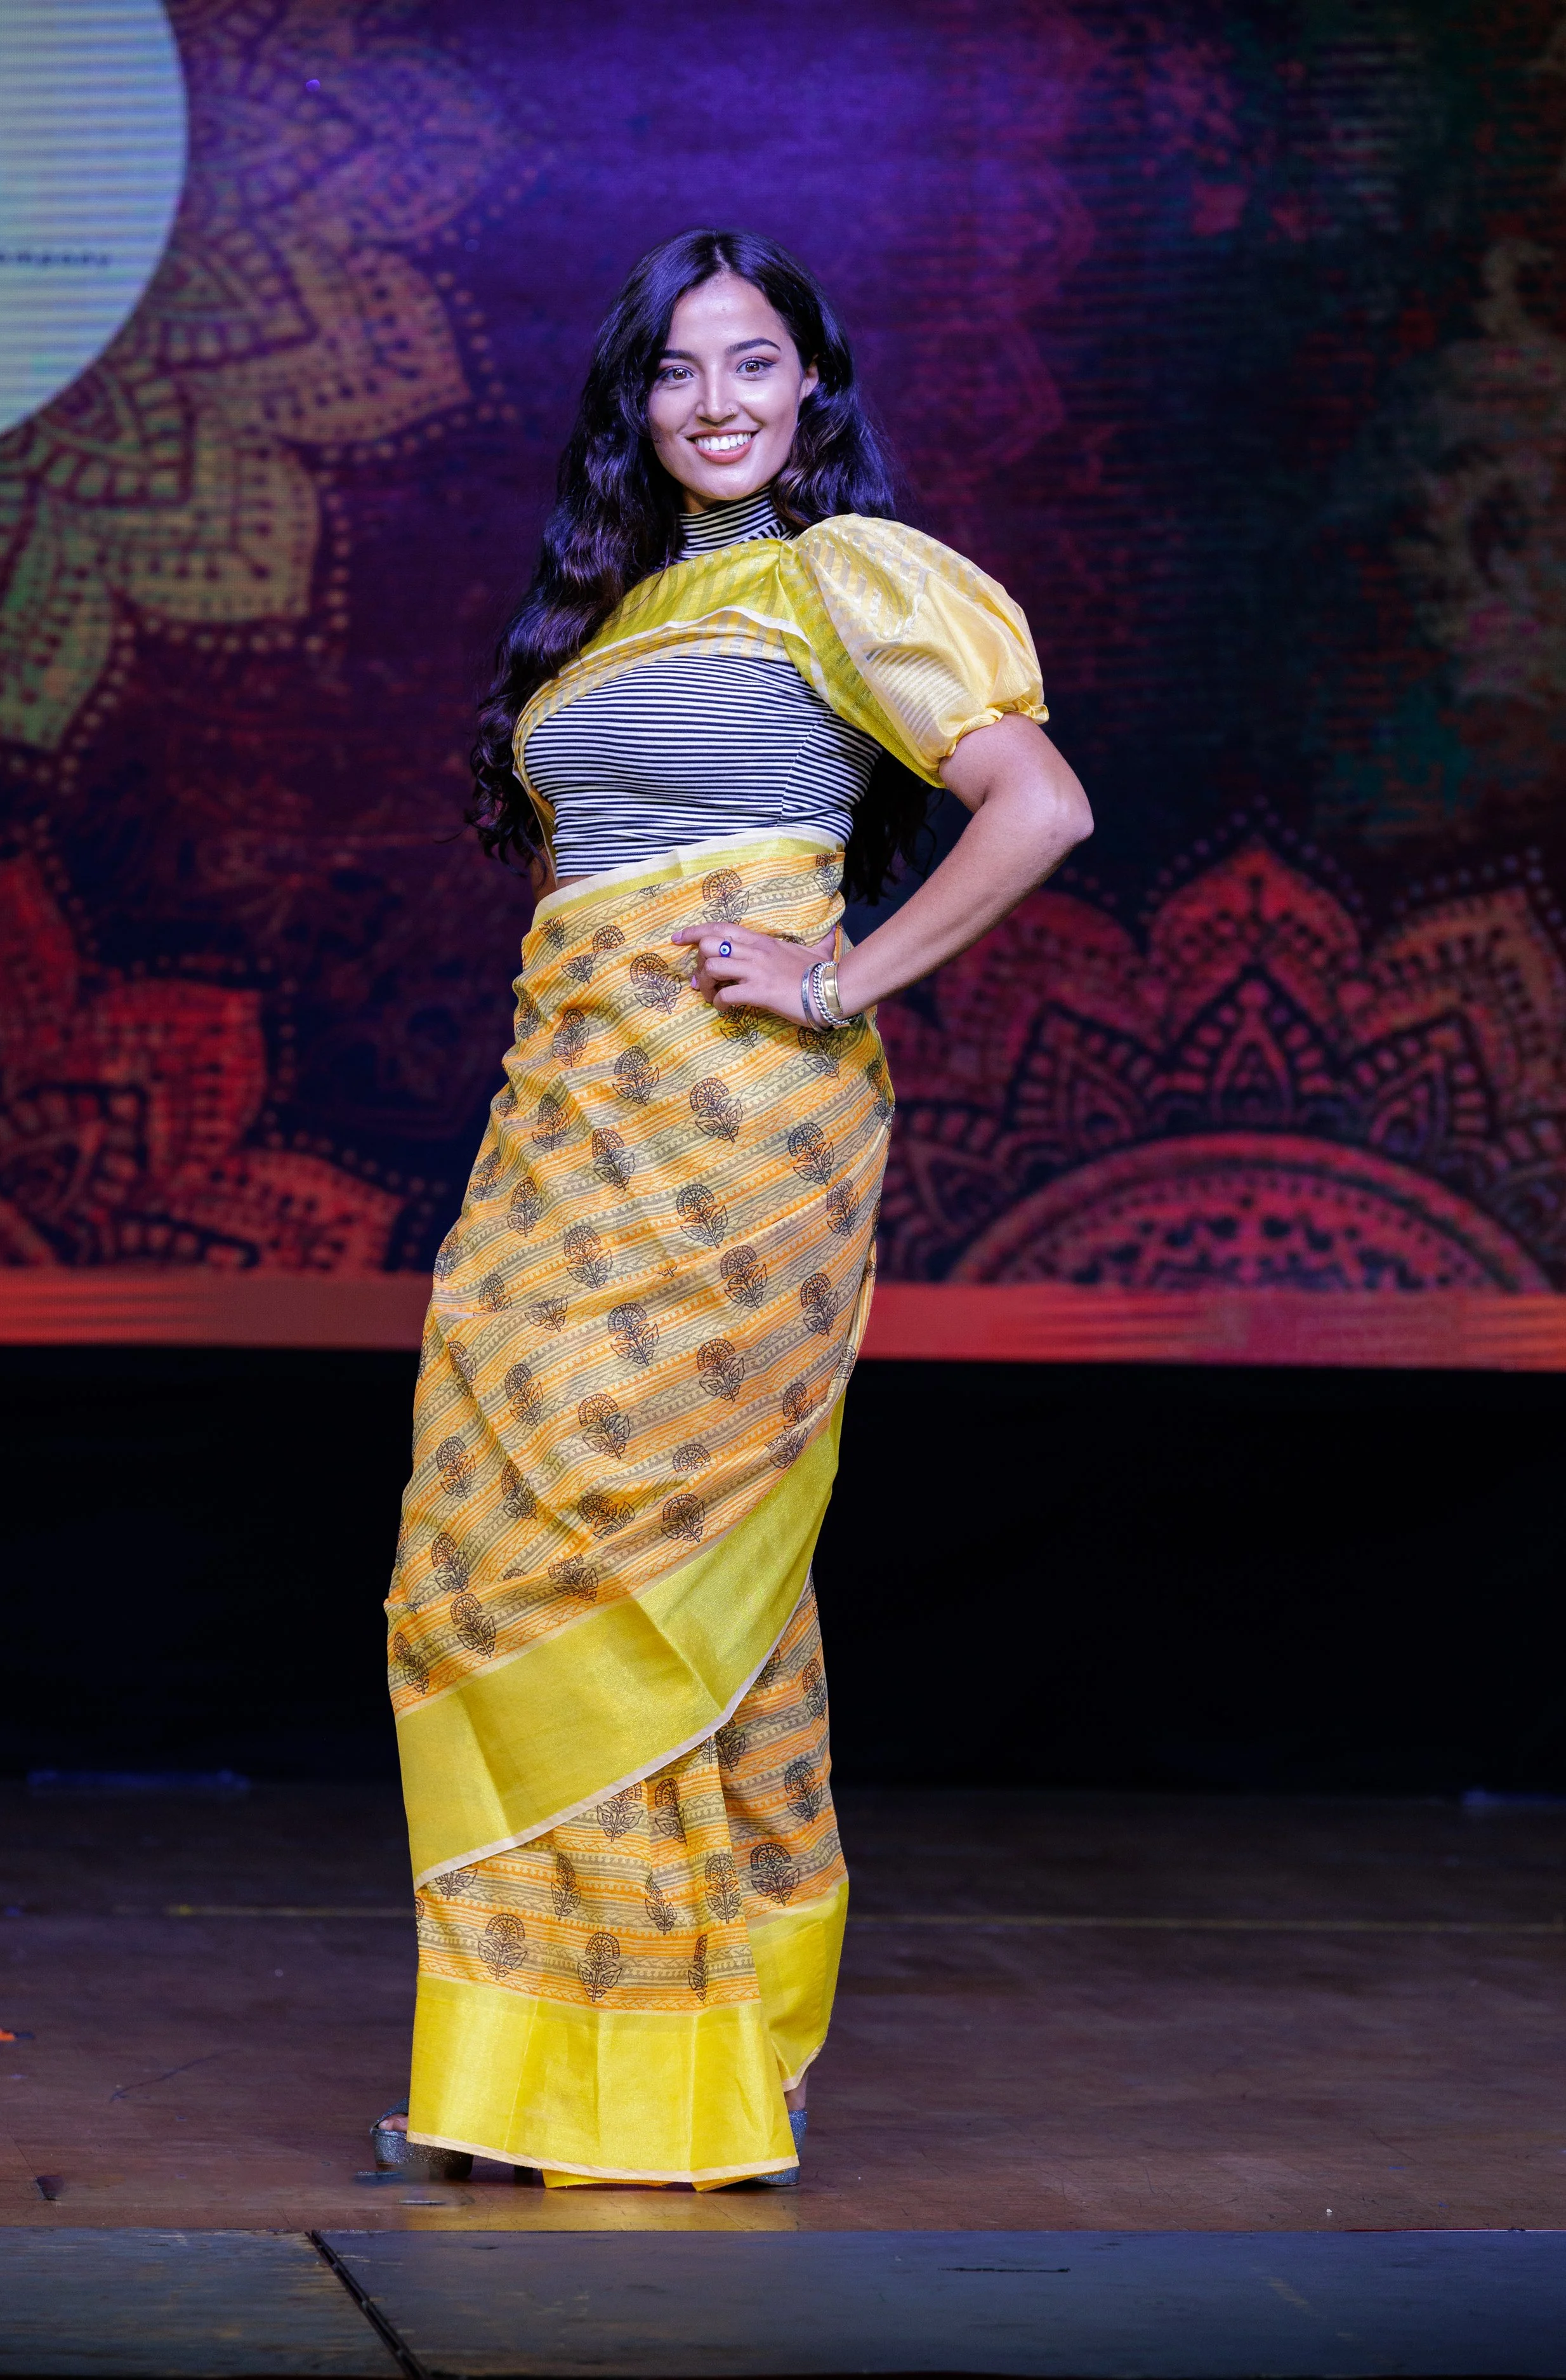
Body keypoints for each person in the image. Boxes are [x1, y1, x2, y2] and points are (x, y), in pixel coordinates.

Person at [375, 228, 1092, 2190]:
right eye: (679, 372)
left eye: (754, 365)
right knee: (502, 1543)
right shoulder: (603, 620)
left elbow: (1036, 804)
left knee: (615, 1538)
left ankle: (635, 2069)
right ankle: (596, 2062)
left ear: (809, 389)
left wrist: (837, 978)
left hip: (733, 1137)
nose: (716, 403)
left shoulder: (846, 569)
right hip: (561, 1128)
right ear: (635, 403)